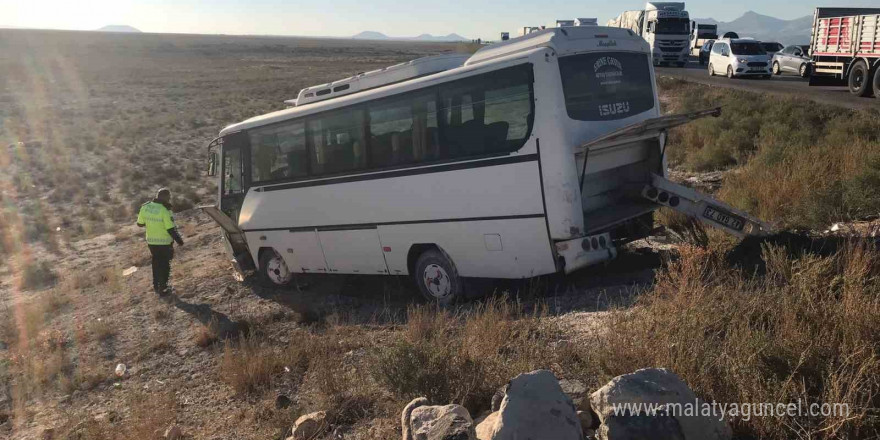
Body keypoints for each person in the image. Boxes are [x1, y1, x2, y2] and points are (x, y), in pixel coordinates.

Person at [136, 188, 184, 295]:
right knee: (165, 265)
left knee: (156, 263)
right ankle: (163, 288)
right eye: (169, 197)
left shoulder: (145, 207)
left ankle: (156, 286)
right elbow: (170, 229)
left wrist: (150, 222)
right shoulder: (165, 210)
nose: (169, 199)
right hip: (164, 242)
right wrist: (179, 241)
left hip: (151, 242)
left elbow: (139, 224)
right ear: (166, 197)